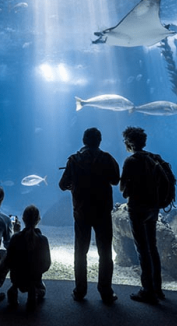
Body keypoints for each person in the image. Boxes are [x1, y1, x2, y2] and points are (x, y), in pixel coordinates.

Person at [59, 127, 120, 304]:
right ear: (99, 141)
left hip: (81, 211)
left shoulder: (74, 159)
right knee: (105, 252)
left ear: (84, 140)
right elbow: (116, 180)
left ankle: (80, 290)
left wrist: (74, 184)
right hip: (102, 211)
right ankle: (105, 291)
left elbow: (62, 184)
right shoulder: (107, 158)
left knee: (80, 251)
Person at [120, 126, 165, 304]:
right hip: (153, 208)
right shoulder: (153, 159)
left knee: (142, 249)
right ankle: (158, 288)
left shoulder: (131, 161)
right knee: (152, 247)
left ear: (130, 143)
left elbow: (122, 187)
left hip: (137, 208)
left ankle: (147, 291)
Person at [6, 205, 51, 310]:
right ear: (38, 219)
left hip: (17, 277)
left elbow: (9, 260)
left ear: (23, 219)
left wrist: (16, 233)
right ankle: (33, 291)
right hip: (34, 277)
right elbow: (46, 264)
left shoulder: (16, 238)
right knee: (42, 290)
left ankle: (14, 288)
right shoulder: (43, 240)